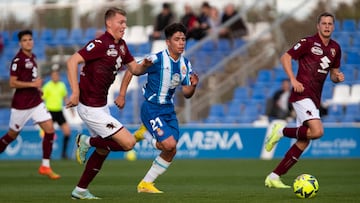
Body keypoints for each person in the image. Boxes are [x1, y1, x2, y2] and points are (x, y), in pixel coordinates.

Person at [67, 7, 152, 200]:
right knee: (129, 143)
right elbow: (72, 61)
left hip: (101, 106)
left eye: (125, 22)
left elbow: (135, 70)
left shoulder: (122, 46)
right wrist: (75, 91)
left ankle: (80, 190)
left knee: (103, 149)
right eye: (121, 22)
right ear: (109, 23)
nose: (124, 25)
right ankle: (85, 141)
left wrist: (146, 65)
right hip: (89, 107)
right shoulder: (99, 43)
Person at [264, 12, 344, 188]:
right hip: (302, 94)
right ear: (318, 26)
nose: (327, 26)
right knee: (317, 131)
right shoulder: (308, 42)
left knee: (304, 141)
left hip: (315, 98)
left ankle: (274, 176)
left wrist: (337, 77)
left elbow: (333, 75)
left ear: (333, 26)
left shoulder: (335, 49)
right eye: (324, 23)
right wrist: (292, 79)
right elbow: (285, 57)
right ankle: (280, 131)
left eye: (330, 23)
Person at [133, 22, 199, 193]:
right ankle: (146, 135)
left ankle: (145, 184)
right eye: (177, 39)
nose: (181, 42)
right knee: (168, 144)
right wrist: (120, 94)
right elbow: (132, 70)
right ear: (168, 42)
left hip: (168, 110)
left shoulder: (185, 64)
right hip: (152, 107)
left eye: (183, 39)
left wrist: (193, 86)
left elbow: (186, 93)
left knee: (171, 148)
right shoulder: (156, 58)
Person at [0, 30, 60, 180]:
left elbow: (32, 78)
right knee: (11, 136)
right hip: (21, 105)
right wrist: (32, 84)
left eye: (30, 39)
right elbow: (12, 83)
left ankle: (45, 166)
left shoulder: (33, 57)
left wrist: (37, 88)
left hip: (36, 102)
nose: (28, 42)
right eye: (25, 40)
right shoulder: (17, 60)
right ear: (20, 43)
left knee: (50, 129)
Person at [42, 68, 72, 159]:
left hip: (59, 112)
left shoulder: (62, 85)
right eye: (54, 75)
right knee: (49, 134)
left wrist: (71, 110)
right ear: (51, 76)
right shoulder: (47, 86)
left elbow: (65, 98)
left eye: (57, 75)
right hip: (50, 112)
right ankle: (47, 155)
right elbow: (42, 98)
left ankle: (63, 154)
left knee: (67, 132)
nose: (55, 77)